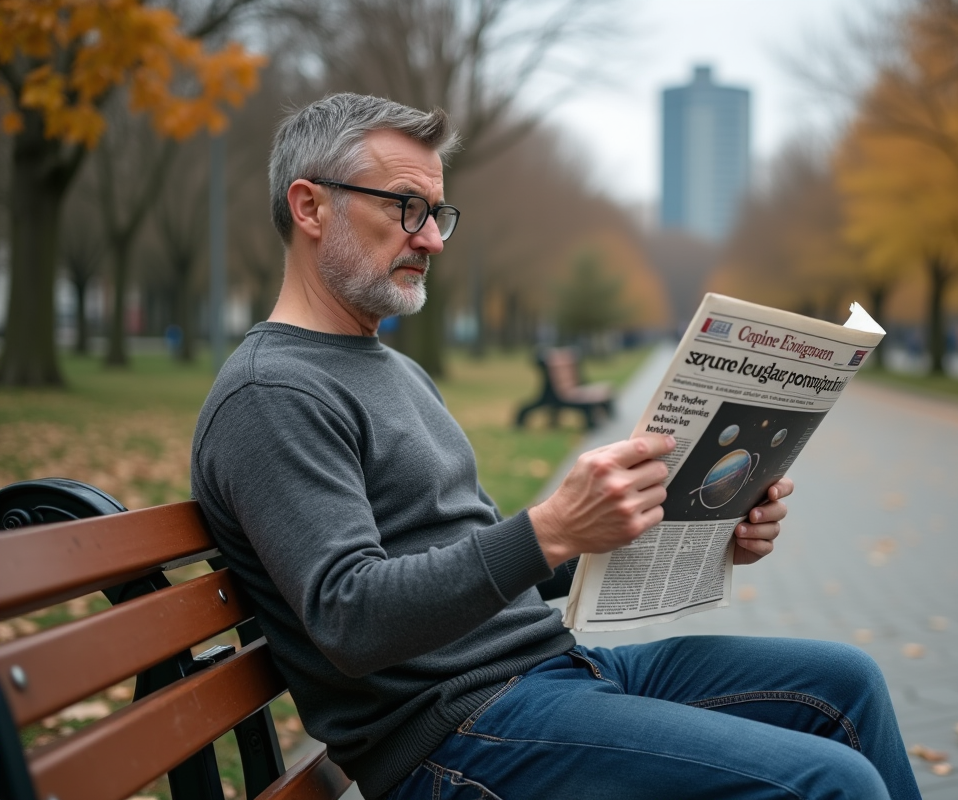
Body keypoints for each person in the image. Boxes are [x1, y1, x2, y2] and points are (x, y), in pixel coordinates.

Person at [191, 93, 921, 800]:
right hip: (454, 736)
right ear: (310, 206)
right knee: (833, 783)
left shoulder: (394, 370)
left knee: (845, 684)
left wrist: (687, 529)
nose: (433, 239)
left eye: (438, 213)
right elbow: (350, 618)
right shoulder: (273, 393)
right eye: (404, 207)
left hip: (548, 674)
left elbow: (483, 568)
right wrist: (549, 530)